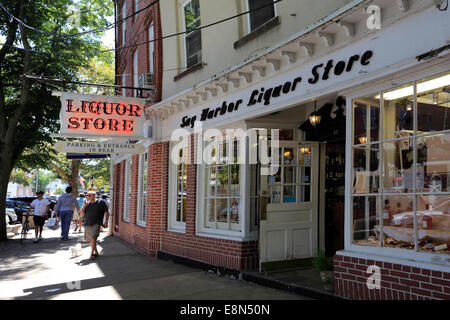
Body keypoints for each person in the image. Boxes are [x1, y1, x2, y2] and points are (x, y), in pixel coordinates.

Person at [79, 190, 109, 259]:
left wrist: (106, 221)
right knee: (92, 240)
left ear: (94, 196)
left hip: (97, 223)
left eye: (89, 195)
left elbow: (106, 212)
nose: (87, 197)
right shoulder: (87, 204)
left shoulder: (101, 202)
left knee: (93, 238)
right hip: (87, 223)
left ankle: (92, 253)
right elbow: (80, 214)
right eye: (87, 195)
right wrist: (84, 206)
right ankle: (96, 252)